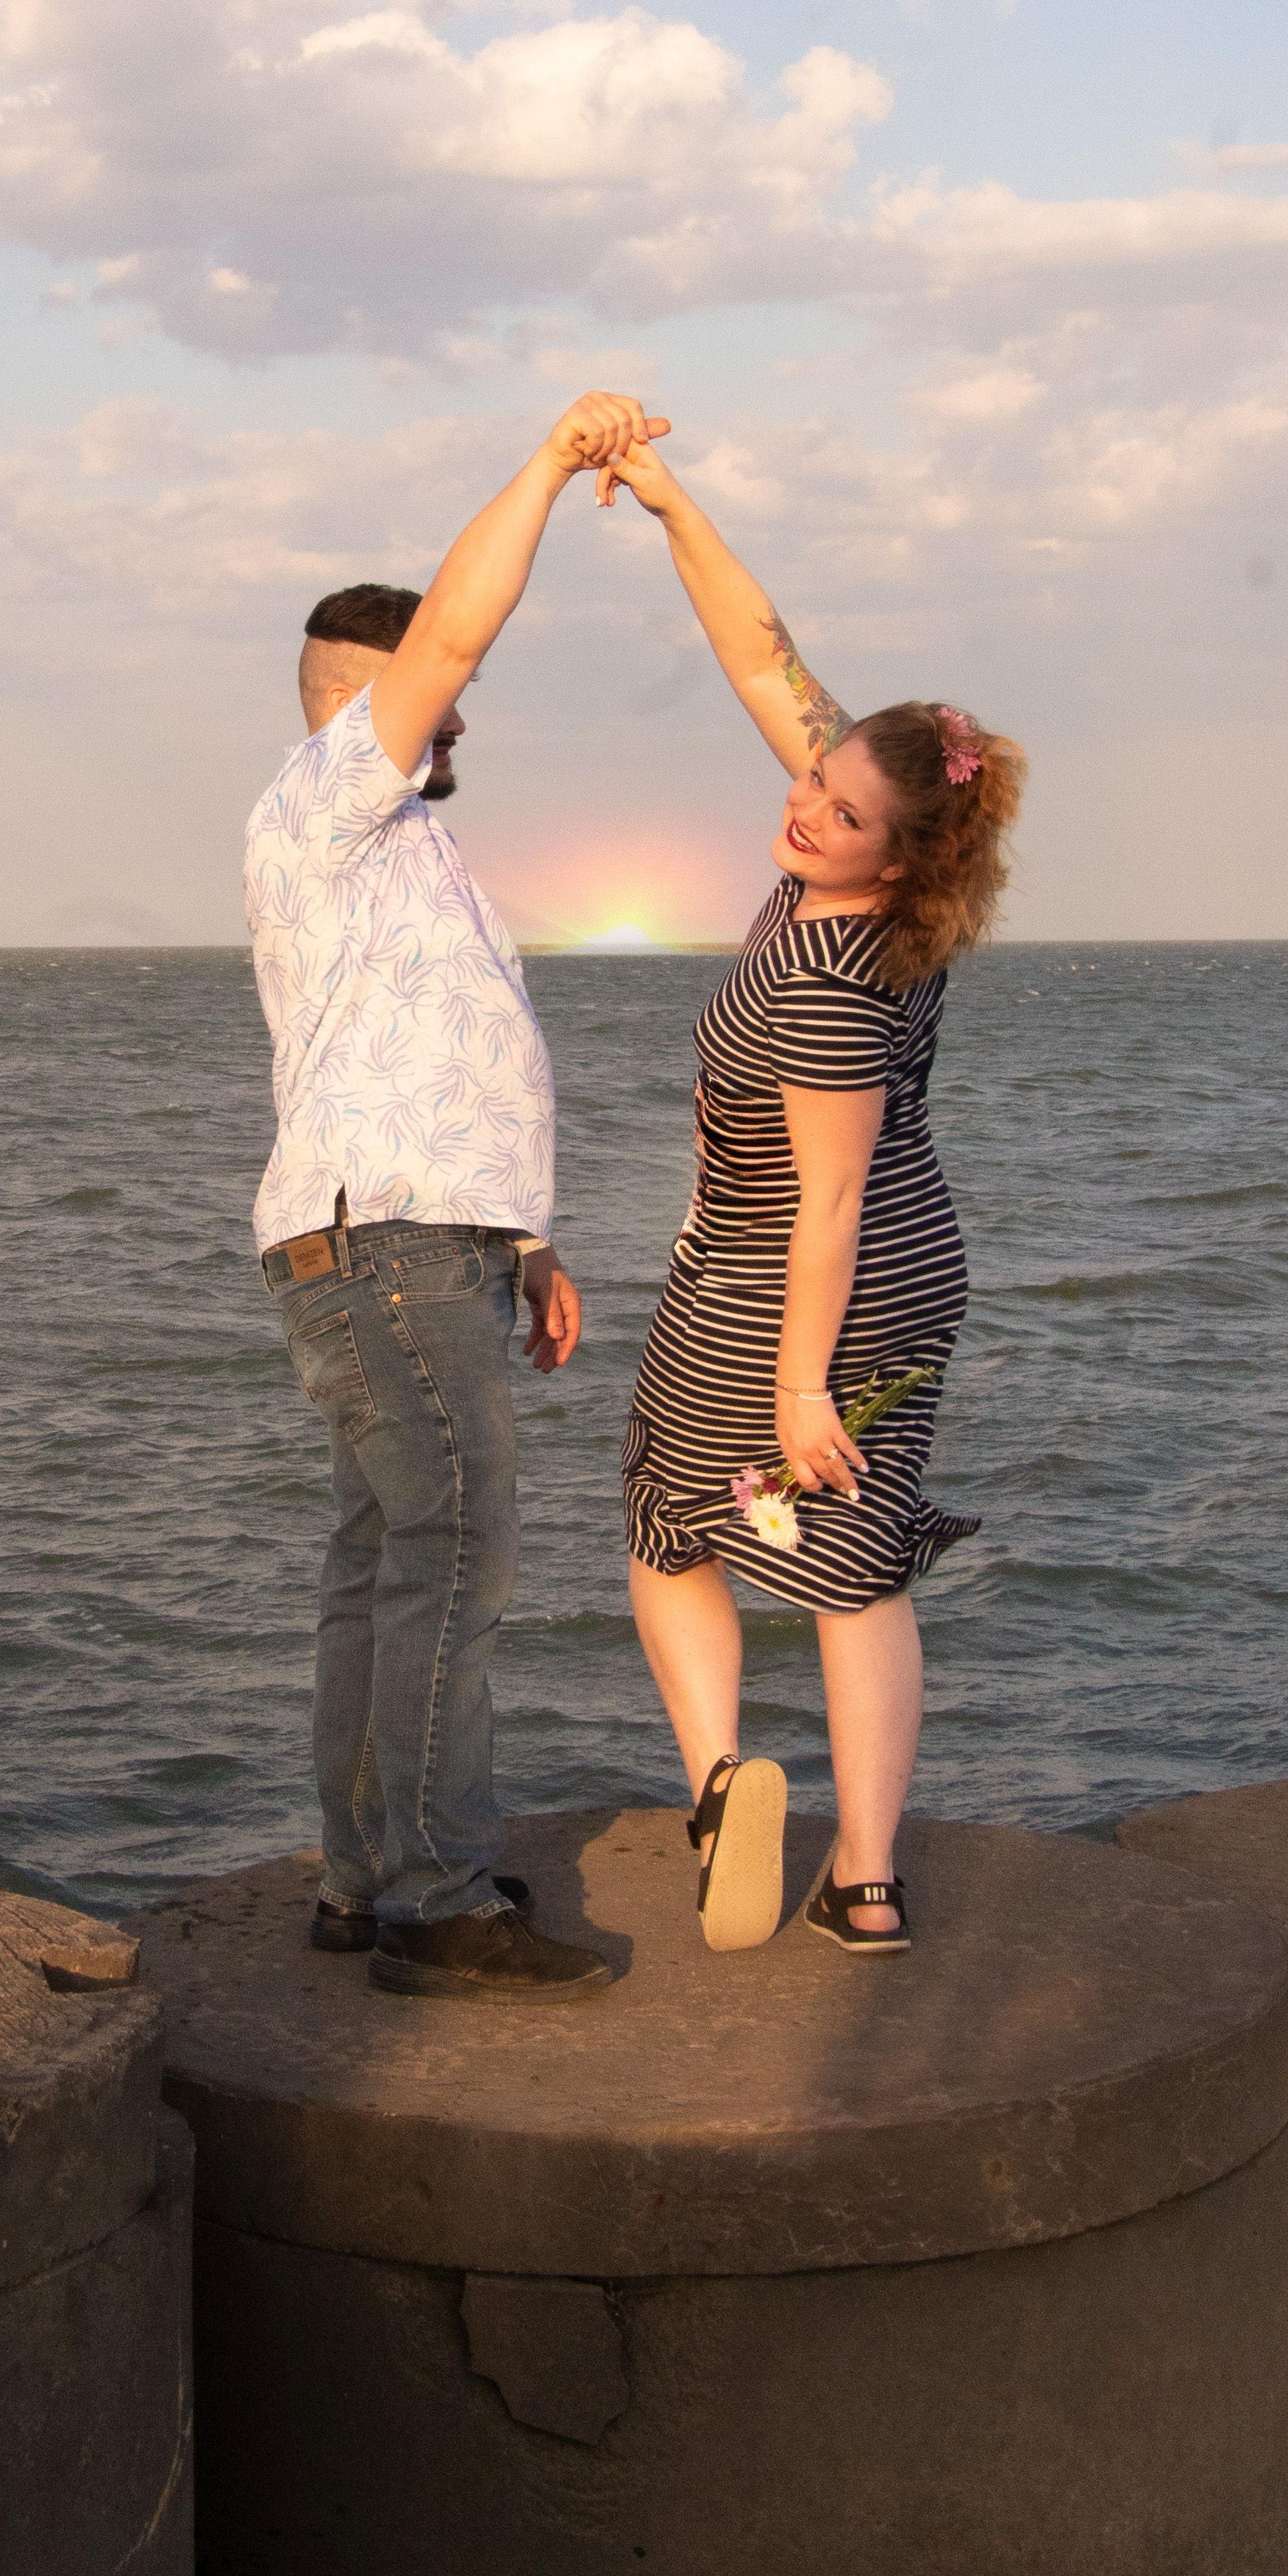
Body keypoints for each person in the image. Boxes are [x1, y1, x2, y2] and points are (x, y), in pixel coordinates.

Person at [242, 390, 663, 2002]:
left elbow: (443, 1051)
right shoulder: (331, 796)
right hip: (388, 1246)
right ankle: (435, 1899)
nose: (465, 713)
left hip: (419, 1237)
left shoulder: (403, 852)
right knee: (455, 1551)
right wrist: (554, 463)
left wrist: (527, 1239)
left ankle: (364, 1880)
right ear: (376, 696)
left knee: (386, 1557)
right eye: (442, 688)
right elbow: (461, 626)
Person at [592, 438, 1025, 1957]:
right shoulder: (868, 873)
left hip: (793, 1282)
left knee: (672, 1524)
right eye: (817, 781)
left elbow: (826, 1199)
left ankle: (725, 1793)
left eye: (839, 812)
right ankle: (864, 1882)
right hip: (898, 1271)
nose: (805, 807)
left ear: (899, 862)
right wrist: (671, 502)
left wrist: (796, 1383)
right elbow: (757, 652)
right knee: (855, 1562)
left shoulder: (837, 973)